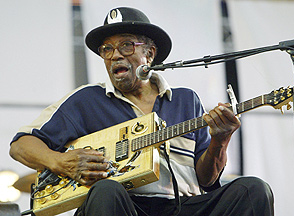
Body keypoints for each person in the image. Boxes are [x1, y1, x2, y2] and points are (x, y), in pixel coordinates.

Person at [9, 7, 274, 216]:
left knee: (253, 190)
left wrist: (221, 139)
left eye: (126, 45)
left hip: (184, 206)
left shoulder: (186, 99)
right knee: (105, 191)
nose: (114, 56)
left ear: (150, 54)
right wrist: (60, 162)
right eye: (107, 49)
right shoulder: (86, 100)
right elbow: (21, 145)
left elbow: (206, 179)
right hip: (124, 206)